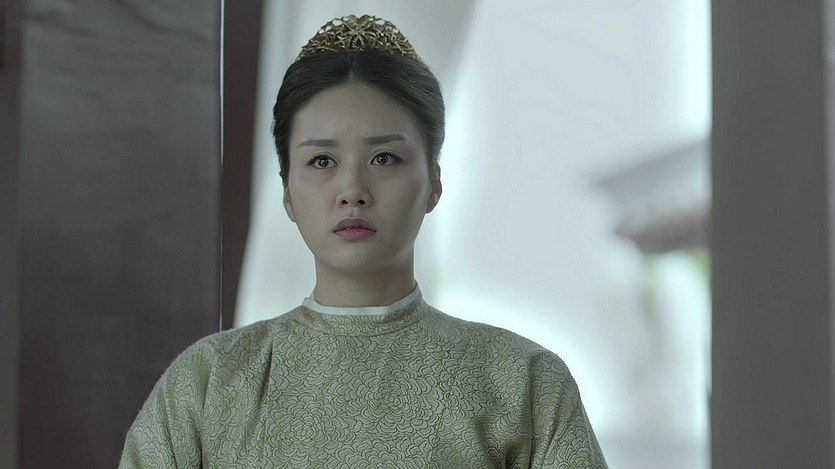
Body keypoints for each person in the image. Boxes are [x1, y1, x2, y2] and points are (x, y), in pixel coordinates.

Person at [119, 15, 607, 468]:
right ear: (287, 193)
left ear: (433, 184)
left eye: (384, 159)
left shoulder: (523, 382)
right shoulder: (206, 383)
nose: (352, 191)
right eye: (322, 162)